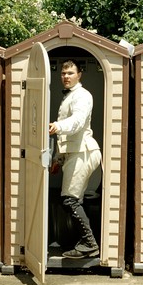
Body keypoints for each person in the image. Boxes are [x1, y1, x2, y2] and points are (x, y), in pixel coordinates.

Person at [48, 60, 102, 259]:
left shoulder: (82, 95)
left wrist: (58, 126)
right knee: (73, 200)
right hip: (75, 153)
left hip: (83, 152)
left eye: (70, 73)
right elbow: (66, 137)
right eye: (63, 73)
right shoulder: (70, 96)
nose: (66, 76)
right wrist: (58, 159)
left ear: (80, 74)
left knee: (70, 200)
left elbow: (78, 122)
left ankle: (89, 243)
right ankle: (85, 242)